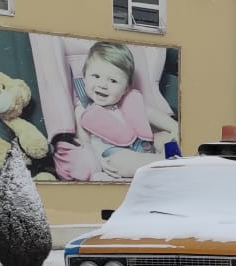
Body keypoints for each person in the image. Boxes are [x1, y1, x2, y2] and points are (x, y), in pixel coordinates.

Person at [55, 41, 179, 180]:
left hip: (144, 144)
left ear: (126, 88)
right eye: (96, 76)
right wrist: (98, 160)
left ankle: (169, 159)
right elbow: (86, 144)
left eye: (113, 81)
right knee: (121, 162)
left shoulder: (131, 101)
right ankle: (164, 162)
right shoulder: (83, 110)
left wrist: (175, 128)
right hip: (113, 153)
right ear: (84, 78)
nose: (102, 85)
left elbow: (153, 115)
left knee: (164, 137)